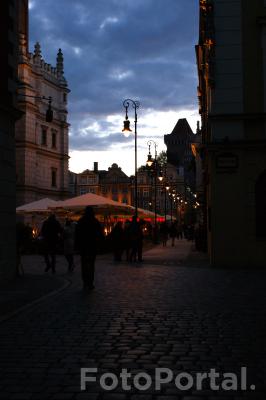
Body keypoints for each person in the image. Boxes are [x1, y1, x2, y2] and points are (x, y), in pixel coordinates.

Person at [75, 206, 103, 291]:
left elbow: (77, 235)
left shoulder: (80, 221)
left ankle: (85, 282)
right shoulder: (95, 221)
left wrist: (77, 246)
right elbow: (100, 234)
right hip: (92, 246)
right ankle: (90, 283)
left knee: (84, 265)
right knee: (91, 265)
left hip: (83, 246)